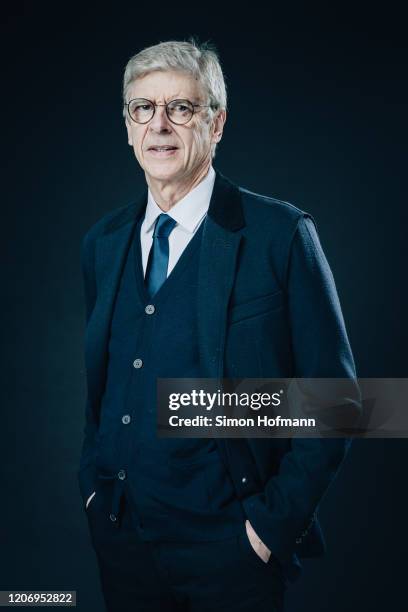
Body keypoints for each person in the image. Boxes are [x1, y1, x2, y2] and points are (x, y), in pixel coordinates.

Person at [78, 39, 360, 612]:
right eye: (143, 108)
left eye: (180, 108)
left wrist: (266, 530)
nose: (159, 125)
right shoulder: (102, 243)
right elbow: (104, 384)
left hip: (232, 550)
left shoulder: (280, 235)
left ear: (217, 122)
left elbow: (340, 402)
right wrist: (92, 487)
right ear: (128, 126)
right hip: (123, 542)